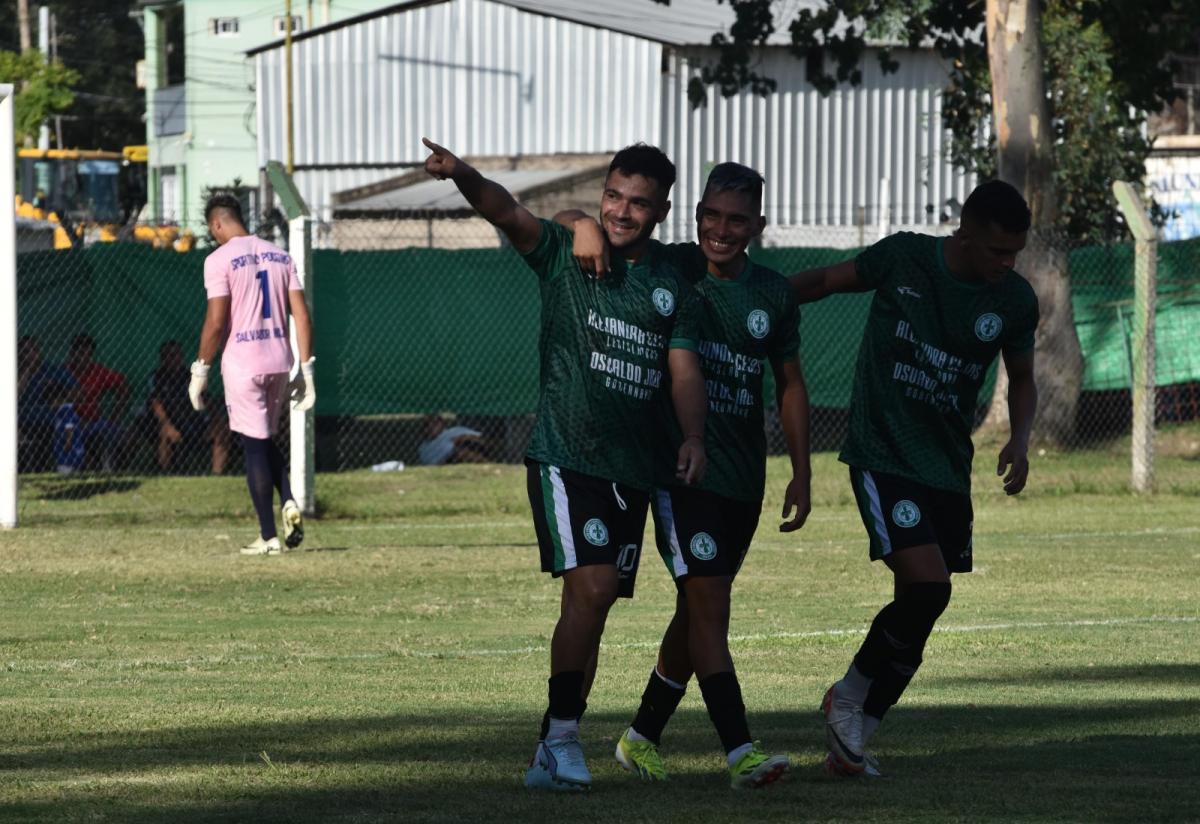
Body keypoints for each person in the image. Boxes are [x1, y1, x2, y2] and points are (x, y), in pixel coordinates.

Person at [423, 137, 723, 792]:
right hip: (566, 456)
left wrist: (694, 437)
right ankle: (562, 739)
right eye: (612, 196)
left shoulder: (672, 288)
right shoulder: (565, 254)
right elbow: (507, 212)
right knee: (590, 588)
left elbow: (684, 371)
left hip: (634, 468)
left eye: (638, 203)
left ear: (662, 209)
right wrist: (464, 174)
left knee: (595, 602)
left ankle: (551, 749)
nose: (621, 211)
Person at [557, 162, 809, 788]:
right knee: (710, 609)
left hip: (743, 480)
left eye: (737, 220)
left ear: (759, 226)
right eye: (712, 216)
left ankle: (641, 736)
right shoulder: (670, 267)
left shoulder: (772, 294)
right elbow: (569, 229)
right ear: (693, 215)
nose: (721, 230)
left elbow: (790, 385)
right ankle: (740, 752)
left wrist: (802, 472)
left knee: (695, 614)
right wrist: (583, 220)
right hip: (680, 476)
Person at [788, 179, 1039, 778]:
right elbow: (824, 282)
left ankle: (856, 734)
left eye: (1016, 254)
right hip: (883, 452)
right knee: (927, 586)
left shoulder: (1015, 301)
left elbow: (1024, 377)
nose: (1007, 265)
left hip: (946, 466)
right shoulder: (905, 257)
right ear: (966, 234)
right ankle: (848, 695)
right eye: (997, 252)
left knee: (927, 600)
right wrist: (756, 296)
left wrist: (1021, 437)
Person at [189, 194, 316, 555]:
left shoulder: (218, 260)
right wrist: (306, 369)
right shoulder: (280, 255)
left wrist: (201, 368)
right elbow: (302, 316)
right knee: (262, 441)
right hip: (279, 360)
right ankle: (289, 499)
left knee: (252, 445)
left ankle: (268, 536)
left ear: (216, 224)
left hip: (243, 363)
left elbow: (216, 321)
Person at [149, 339, 231, 474]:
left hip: (192, 420)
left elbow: (206, 399)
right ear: (163, 358)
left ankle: (217, 474)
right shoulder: (156, 377)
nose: (174, 359)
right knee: (165, 433)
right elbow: (155, 403)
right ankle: (165, 474)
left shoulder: (189, 376)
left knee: (221, 429)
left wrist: (216, 420)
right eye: (170, 355)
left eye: (177, 355)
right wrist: (167, 424)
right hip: (168, 421)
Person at [66, 333, 131, 471]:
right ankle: (79, 466)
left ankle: (112, 468)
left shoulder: (98, 371)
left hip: (95, 422)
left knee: (126, 436)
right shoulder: (64, 371)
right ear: (72, 353)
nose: (83, 358)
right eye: (79, 353)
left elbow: (124, 386)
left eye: (87, 354)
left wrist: (116, 415)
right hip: (70, 423)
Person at [17, 335, 79, 471]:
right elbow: (14, 396)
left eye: (34, 349)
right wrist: (27, 371)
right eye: (26, 351)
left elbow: (76, 391)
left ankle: (65, 468)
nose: (32, 354)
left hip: (53, 421)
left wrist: (59, 397)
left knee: (67, 428)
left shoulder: (53, 370)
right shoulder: (15, 373)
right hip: (25, 423)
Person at [417, 415, 489, 465]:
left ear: (442, 423)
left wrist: (463, 438)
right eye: (426, 424)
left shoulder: (454, 430)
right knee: (462, 453)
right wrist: (453, 444)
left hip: (468, 448)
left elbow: (480, 437)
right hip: (447, 461)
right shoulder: (424, 447)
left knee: (465, 450)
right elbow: (432, 463)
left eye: (435, 423)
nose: (431, 426)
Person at [50, 383, 85, 475]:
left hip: (67, 450)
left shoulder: (65, 410)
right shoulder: (63, 411)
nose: (50, 406)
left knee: (66, 469)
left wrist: (68, 441)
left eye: (51, 402)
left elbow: (69, 426)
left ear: (59, 399)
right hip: (69, 448)